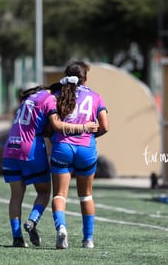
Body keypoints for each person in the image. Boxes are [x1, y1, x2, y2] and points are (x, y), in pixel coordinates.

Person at [2, 82, 98, 248]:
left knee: (16, 195)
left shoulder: (27, 100)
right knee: (45, 191)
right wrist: (84, 127)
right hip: (30, 147)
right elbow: (55, 126)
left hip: (10, 147)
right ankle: (32, 220)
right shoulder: (49, 98)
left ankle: (17, 237)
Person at [50, 61, 109, 249]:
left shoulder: (57, 95)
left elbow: (52, 122)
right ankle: (88, 239)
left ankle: (61, 229)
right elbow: (105, 126)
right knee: (86, 196)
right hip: (86, 149)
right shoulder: (96, 97)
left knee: (60, 195)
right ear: (86, 78)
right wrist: (89, 135)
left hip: (62, 147)